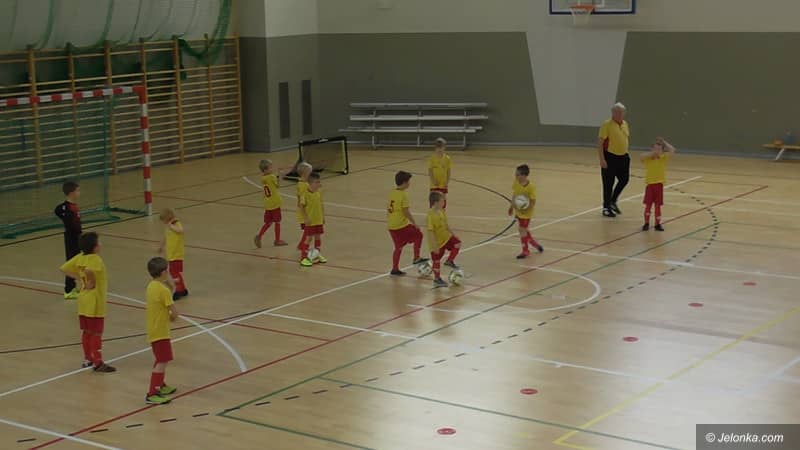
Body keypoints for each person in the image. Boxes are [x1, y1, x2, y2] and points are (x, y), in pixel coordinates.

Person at [60, 232, 115, 372]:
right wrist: (91, 281)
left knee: (86, 331)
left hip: (83, 299)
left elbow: (64, 268)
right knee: (96, 333)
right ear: (94, 247)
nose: (101, 244)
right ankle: (98, 362)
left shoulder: (80, 257)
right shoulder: (95, 259)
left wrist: (80, 278)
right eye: (99, 242)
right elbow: (90, 270)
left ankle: (88, 359)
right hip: (94, 301)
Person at [145, 257, 179, 405]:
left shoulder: (151, 286)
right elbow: (174, 313)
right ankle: (152, 393)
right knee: (163, 360)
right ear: (164, 272)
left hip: (153, 329)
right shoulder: (163, 290)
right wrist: (172, 318)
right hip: (161, 331)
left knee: (160, 359)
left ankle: (161, 385)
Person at [387, 171, 428, 276]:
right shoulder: (403, 195)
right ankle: (416, 257)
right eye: (409, 181)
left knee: (398, 247)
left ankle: (395, 269)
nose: (410, 183)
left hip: (391, 226)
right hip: (400, 226)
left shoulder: (392, 192)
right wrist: (414, 223)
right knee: (418, 234)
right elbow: (405, 211)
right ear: (405, 183)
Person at [598, 102, 630, 217]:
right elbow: (600, 143)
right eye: (617, 112)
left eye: (622, 112)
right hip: (610, 157)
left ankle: (613, 201)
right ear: (613, 112)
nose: (620, 114)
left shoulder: (625, 124)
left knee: (624, 179)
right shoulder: (607, 125)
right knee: (608, 183)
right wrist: (602, 159)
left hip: (623, 157)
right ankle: (606, 207)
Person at [508, 164, 543, 259]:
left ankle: (525, 250)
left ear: (524, 175)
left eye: (518, 175)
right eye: (515, 174)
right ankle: (533, 243)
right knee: (524, 229)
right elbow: (515, 194)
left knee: (522, 229)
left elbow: (533, 201)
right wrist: (511, 206)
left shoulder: (531, 187)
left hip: (526, 213)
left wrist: (526, 210)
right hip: (518, 210)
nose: (516, 176)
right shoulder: (516, 183)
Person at [641, 138, 676, 231]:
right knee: (648, 205)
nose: (657, 151)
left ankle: (657, 224)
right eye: (655, 149)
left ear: (662, 151)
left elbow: (672, 150)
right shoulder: (648, 159)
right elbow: (641, 156)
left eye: (659, 149)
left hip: (659, 186)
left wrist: (664, 142)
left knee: (658, 206)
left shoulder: (663, 158)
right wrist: (652, 154)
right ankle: (646, 223)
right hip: (650, 186)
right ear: (652, 149)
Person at [427, 191, 460, 288]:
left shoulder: (442, 211)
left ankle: (449, 261)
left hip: (446, 238)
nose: (444, 203)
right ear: (436, 202)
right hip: (437, 243)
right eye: (442, 201)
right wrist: (434, 246)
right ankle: (437, 279)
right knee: (436, 261)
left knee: (457, 243)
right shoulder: (430, 215)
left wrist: (454, 235)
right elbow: (431, 232)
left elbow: (446, 225)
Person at [54, 181, 82, 299]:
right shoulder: (69, 208)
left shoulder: (70, 206)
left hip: (75, 237)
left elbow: (58, 210)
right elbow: (72, 224)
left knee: (75, 261)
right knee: (72, 262)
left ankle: (72, 286)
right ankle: (68, 290)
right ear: (71, 193)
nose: (79, 193)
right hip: (72, 238)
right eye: (77, 190)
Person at [254, 159, 288, 248]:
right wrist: (280, 176)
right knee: (277, 222)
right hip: (275, 203)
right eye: (270, 168)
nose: (272, 169)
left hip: (267, 203)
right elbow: (277, 185)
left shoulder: (263, 178)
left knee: (268, 223)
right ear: (265, 170)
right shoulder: (272, 177)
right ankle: (277, 240)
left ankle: (259, 236)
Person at [157, 209, 188, 301]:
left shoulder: (176, 224)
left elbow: (181, 230)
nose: (163, 222)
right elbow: (166, 237)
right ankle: (183, 289)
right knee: (175, 272)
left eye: (163, 220)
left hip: (176, 254)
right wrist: (161, 246)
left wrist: (171, 226)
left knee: (174, 272)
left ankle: (179, 290)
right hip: (171, 254)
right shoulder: (168, 227)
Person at [299, 172, 326, 267]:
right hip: (310, 221)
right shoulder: (305, 194)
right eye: (317, 182)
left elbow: (321, 205)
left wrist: (323, 217)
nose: (319, 184)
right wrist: (305, 218)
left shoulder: (318, 193)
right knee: (309, 238)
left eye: (319, 182)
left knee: (318, 237)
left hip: (318, 220)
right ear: (310, 183)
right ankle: (303, 258)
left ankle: (316, 254)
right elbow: (301, 207)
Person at [294, 162, 316, 254]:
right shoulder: (304, 185)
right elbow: (304, 199)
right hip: (305, 212)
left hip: (303, 210)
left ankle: (301, 245)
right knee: (308, 230)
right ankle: (302, 246)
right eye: (310, 173)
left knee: (307, 230)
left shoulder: (300, 183)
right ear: (305, 174)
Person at [428, 138, 451, 210]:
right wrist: (433, 180)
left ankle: (442, 211)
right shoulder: (432, 158)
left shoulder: (447, 159)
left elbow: (448, 171)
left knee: (443, 197)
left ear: (444, 147)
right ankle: (432, 211)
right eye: (438, 147)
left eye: (441, 147)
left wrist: (447, 182)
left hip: (443, 182)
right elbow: (430, 170)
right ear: (435, 148)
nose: (439, 149)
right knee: (433, 197)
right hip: (434, 182)